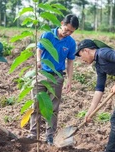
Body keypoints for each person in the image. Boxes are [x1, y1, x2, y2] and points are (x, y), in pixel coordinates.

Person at [28, 14, 79, 145]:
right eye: (66, 29)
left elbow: (70, 62)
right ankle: (33, 133)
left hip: (57, 77)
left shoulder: (71, 43)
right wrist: (38, 61)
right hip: (41, 74)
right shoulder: (48, 35)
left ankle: (49, 136)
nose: (68, 33)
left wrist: (69, 80)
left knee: (53, 108)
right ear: (62, 23)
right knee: (36, 104)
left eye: (71, 32)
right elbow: (39, 50)